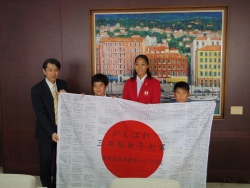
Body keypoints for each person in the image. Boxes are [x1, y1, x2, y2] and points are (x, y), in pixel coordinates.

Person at [31, 58, 67, 188]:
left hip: (62, 130)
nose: (53, 73)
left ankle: (58, 184)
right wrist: (51, 131)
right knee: (46, 162)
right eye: (50, 70)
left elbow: (68, 107)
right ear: (44, 71)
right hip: (46, 132)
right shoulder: (36, 89)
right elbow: (40, 114)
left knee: (60, 161)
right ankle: (47, 185)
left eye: (56, 70)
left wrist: (65, 96)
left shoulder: (63, 84)